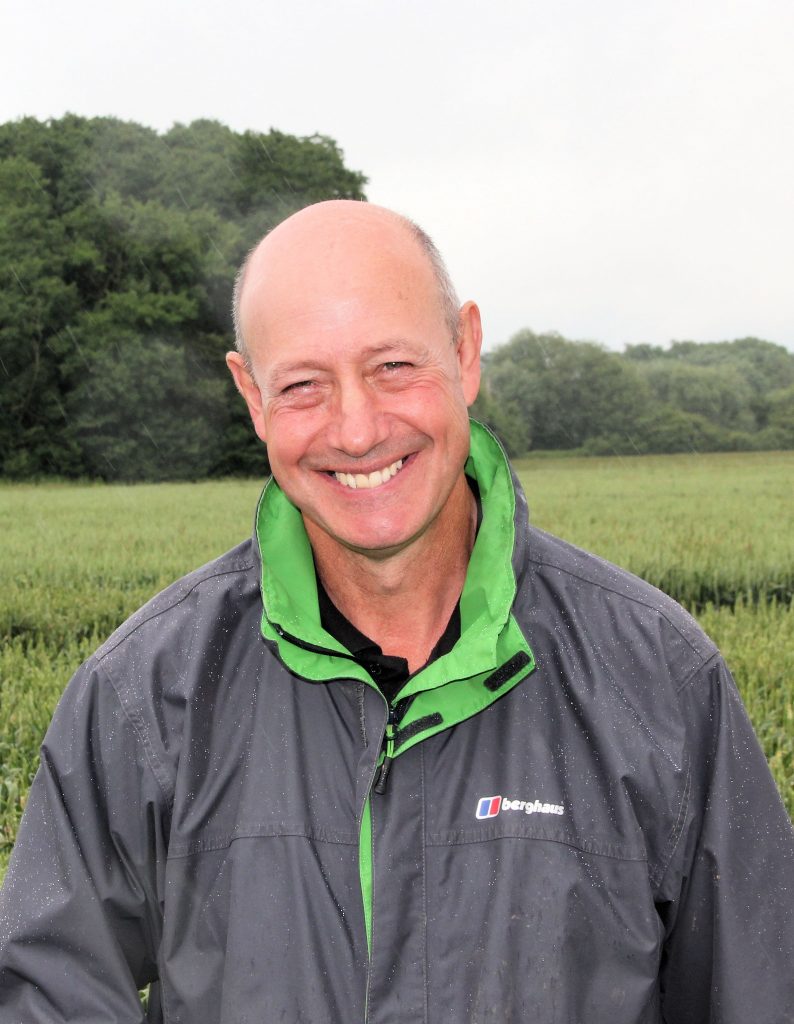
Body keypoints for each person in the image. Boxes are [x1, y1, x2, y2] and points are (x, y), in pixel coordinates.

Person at [1, 200, 792, 1023]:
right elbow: (50, 996)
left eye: (392, 366)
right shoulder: (144, 698)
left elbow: (759, 993)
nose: (356, 430)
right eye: (303, 385)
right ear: (252, 396)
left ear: (465, 351)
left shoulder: (660, 681)